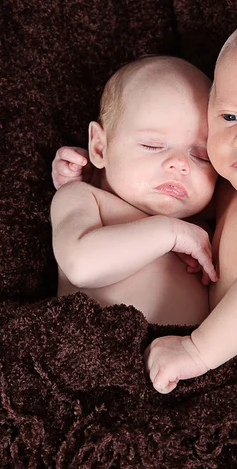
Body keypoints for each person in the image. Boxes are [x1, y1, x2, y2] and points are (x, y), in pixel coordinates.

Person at [52, 5, 237, 394]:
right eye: (229, 117)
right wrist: (91, 178)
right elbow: (86, 255)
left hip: (191, 362)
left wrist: (197, 351)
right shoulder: (96, 200)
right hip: (107, 358)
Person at [51, 56, 219, 326]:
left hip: (180, 361)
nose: (180, 164)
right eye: (153, 145)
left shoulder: (200, 227)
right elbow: (80, 266)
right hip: (98, 351)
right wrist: (171, 233)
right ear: (99, 148)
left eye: (201, 156)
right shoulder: (83, 197)